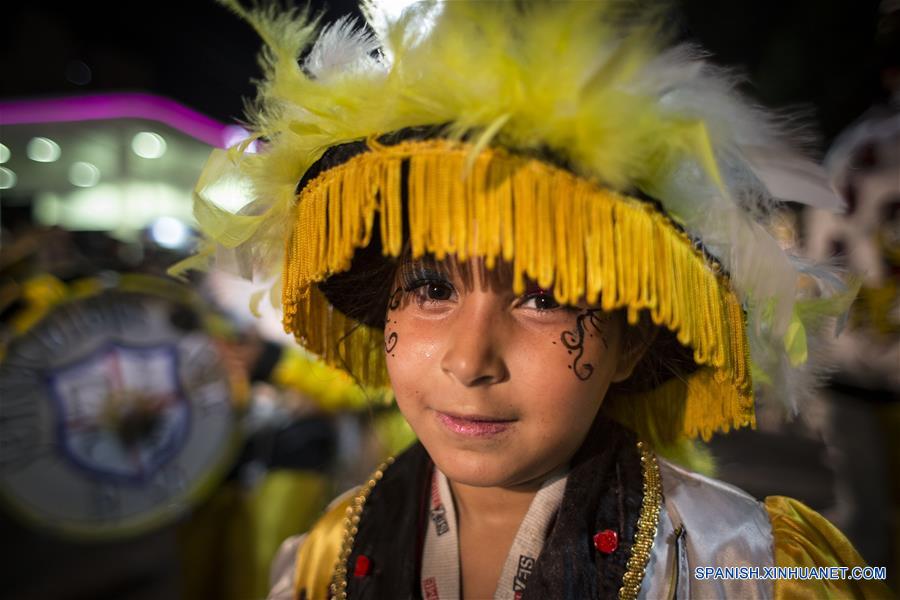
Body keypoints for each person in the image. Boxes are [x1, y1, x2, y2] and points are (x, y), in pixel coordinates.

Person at [185, 1, 891, 597]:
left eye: (544, 298)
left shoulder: (747, 565)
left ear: (632, 341)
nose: (469, 361)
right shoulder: (324, 556)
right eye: (432, 289)